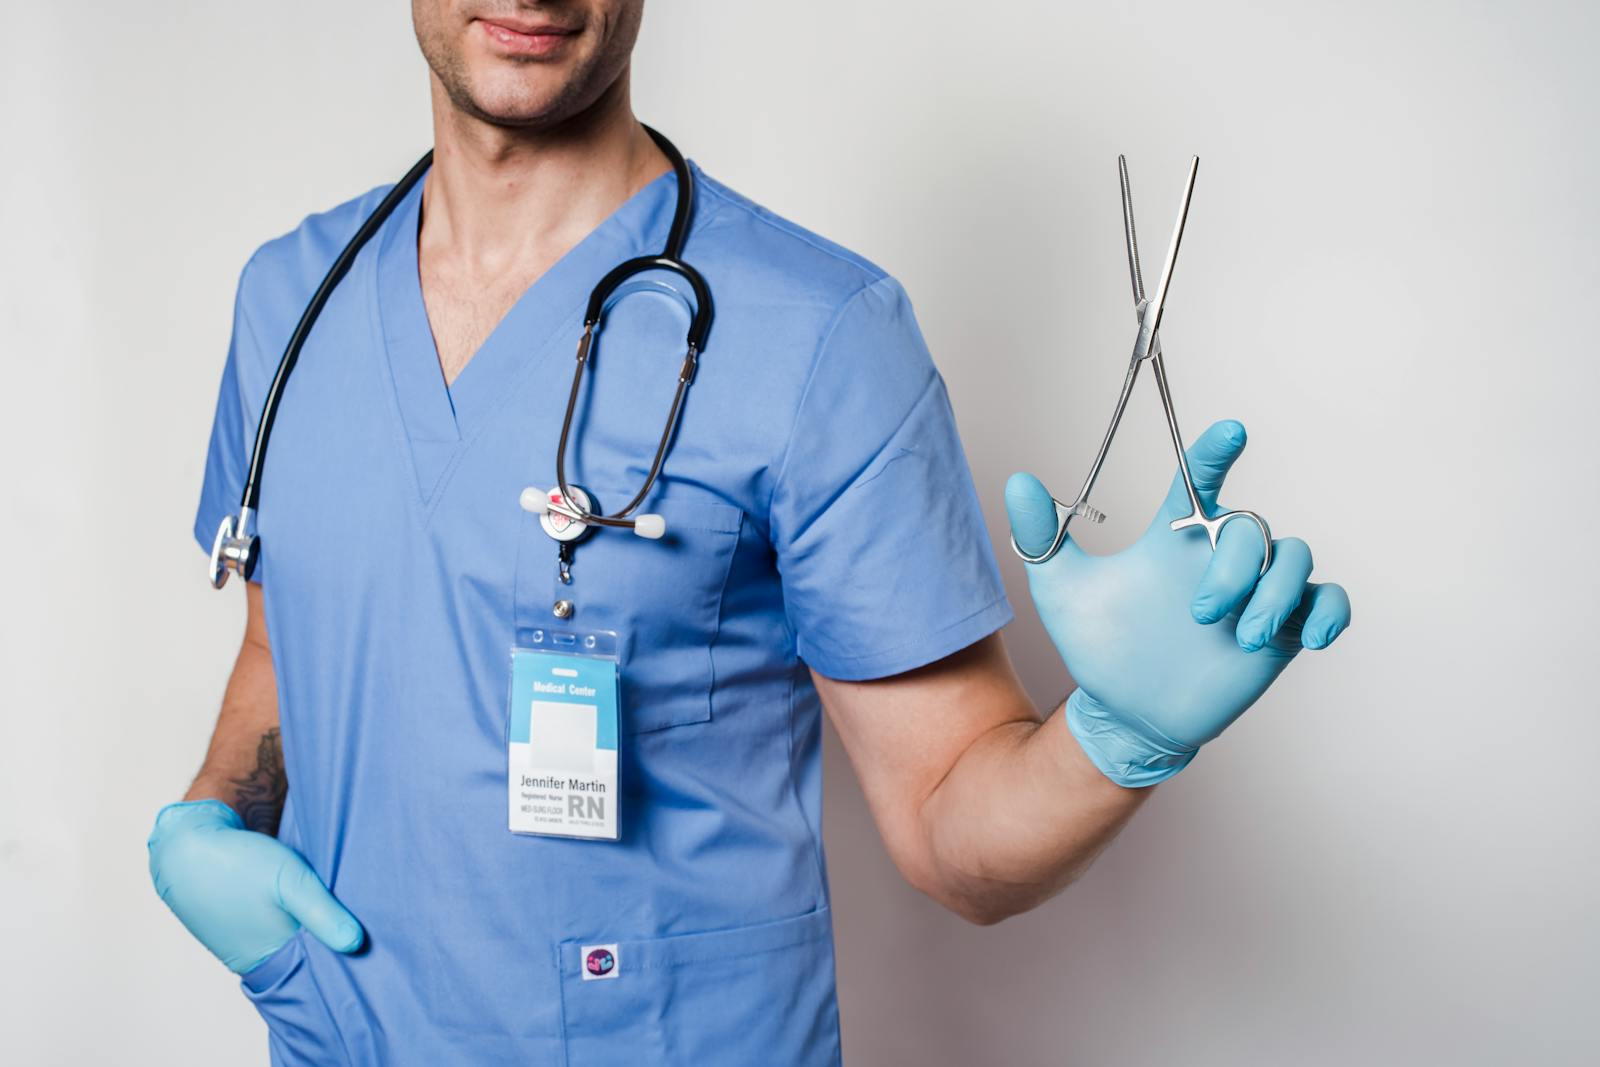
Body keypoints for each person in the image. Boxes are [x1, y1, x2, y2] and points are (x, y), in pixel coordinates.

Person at [147, 2, 1352, 1063]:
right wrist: (210, 823)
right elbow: (286, 638)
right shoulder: (293, 298)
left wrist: (1118, 736)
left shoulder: (816, 334)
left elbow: (949, 822)